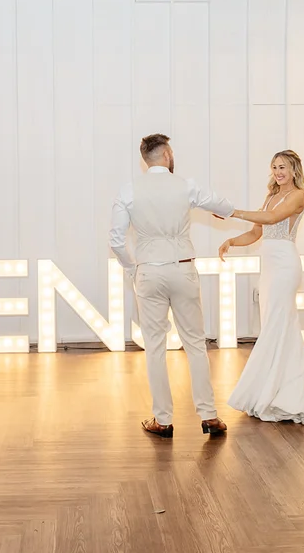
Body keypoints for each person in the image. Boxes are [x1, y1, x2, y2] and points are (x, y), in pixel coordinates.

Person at [109, 133, 233, 438]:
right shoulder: (185, 186)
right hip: (182, 267)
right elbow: (222, 204)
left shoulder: (129, 190)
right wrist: (223, 211)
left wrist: (132, 268)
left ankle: (163, 420)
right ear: (167, 155)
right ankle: (209, 415)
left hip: (148, 271)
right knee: (195, 344)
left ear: (145, 159)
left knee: (154, 347)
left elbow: (116, 240)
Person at [219, 150, 304, 426]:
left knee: (278, 326)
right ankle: (272, 392)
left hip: (285, 266)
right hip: (269, 270)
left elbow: (272, 219)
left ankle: (283, 394)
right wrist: (232, 241)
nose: (278, 172)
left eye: (283, 167)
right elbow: (257, 232)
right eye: (274, 167)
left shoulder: (298, 195)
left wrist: (233, 212)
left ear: (294, 170)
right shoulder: (271, 196)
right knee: (274, 326)